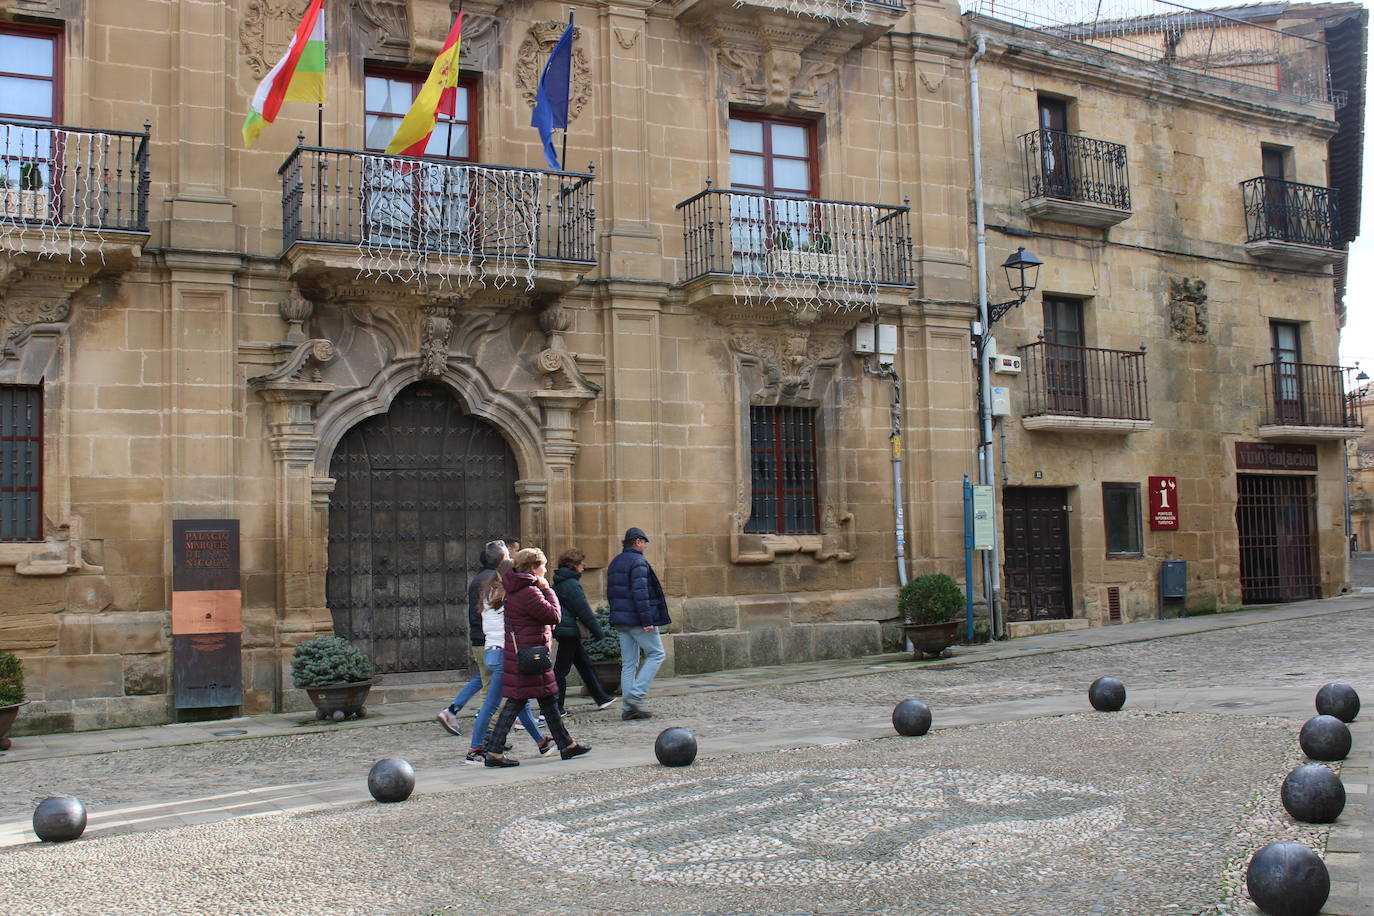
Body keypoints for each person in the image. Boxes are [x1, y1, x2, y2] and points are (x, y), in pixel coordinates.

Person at [482, 548, 591, 767]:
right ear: (533, 567)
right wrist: (547, 589)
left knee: (548, 698)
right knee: (516, 702)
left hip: (527, 653)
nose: (545, 570)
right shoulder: (529, 591)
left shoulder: (516, 588)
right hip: (531, 655)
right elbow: (554, 615)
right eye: (543, 566)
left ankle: (566, 745)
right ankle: (493, 752)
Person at [463, 557, 556, 765]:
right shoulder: (507, 595)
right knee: (492, 704)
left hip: (491, 651)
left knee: (520, 701)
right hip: (504, 653)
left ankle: (542, 742)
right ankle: (474, 748)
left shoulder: (490, 592)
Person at [437, 538, 508, 736]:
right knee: (490, 690)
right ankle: (488, 734)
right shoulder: (493, 580)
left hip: (481, 639)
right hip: (488, 641)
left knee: (484, 679)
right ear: (503, 558)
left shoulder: (480, 578)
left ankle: (452, 711)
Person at [606, 527, 669, 721]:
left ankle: (628, 708)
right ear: (637, 542)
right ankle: (635, 696)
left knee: (629, 664)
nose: (645, 547)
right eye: (644, 543)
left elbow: (611, 593)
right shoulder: (638, 562)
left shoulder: (616, 562)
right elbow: (641, 594)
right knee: (657, 654)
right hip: (637, 620)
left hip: (621, 620)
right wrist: (647, 621)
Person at [551, 549, 617, 715]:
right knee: (561, 670)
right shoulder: (570, 584)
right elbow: (583, 610)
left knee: (584, 664)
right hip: (568, 631)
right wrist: (598, 632)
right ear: (573, 565)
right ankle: (556, 706)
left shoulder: (562, 581)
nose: (583, 567)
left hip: (566, 629)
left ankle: (601, 697)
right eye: (581, 564)